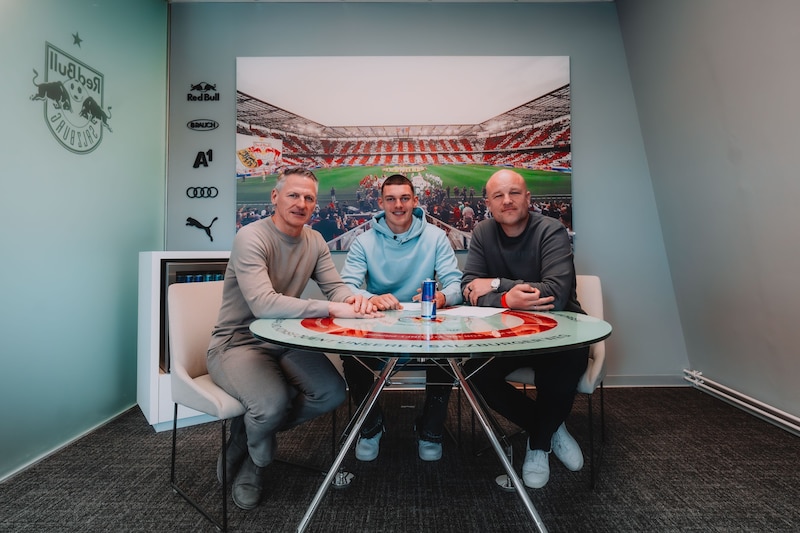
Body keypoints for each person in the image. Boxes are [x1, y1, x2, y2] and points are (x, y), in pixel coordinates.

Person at [207, 167, 382, 511]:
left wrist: (356, 300)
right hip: (238, 342)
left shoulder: (314, 240)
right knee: (270, 406)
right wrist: (331, 308)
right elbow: (263, 303)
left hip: (285, 338)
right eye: (293, 195)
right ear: (275, 197)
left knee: (331, 393)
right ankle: (258, 461)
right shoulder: (251, 236)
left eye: (309, 198)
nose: (301, 203)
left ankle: (249, 431)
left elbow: (335, 287)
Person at [461, 169, 588, 489]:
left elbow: (556, 295)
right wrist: (507, 298)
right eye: (498, 195)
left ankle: (538, 446)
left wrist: (495, 284)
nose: (507, 200)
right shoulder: (482, 232)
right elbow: (467, 289)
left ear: (527, 198)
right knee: (474, 374)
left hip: (561, 329)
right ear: (488, 203)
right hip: (508, 332)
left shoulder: (552, 229)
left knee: (559, 371)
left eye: (514, 193)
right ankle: (547, 428)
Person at [339, 174, 463, 462]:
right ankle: (370, 427)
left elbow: (456, 284)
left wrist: (442, 297)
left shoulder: (435, 237)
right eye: (391, 199)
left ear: (415, 201)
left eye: (404, 198)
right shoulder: (363, 241)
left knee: (445, 353)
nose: (398, 205)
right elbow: (346, 288)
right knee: (350, 354)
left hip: (426, 329)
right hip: (379, 330)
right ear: (381, 203)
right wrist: (370, 298)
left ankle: (431, 430)